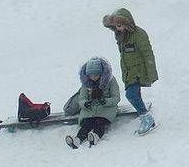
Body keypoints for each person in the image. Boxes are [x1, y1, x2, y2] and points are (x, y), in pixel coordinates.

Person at [103, 8, 158, 136]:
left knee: (131, 95)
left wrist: (151, 73)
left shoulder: (139, 34)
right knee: (134, 95)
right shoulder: (120, 35)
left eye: (120, 25)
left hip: (139, 71)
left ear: (127, 23)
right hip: (128, 72)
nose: (118, 28)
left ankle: (146, 118)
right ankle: (145, 118)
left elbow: (148, 54)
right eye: (116, 26)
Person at [66, 57, 120, 149]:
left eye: (96, 75)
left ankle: (95, 136)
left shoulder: (111, 81)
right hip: (90, 110)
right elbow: (82, 99)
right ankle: (78, 139)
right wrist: (86, 103)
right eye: (91, 76)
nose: (93, 78)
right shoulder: (86, 83)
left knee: (100, 123)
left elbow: (116, 98)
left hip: (106, 109)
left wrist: (105, 101)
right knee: (86, 124)